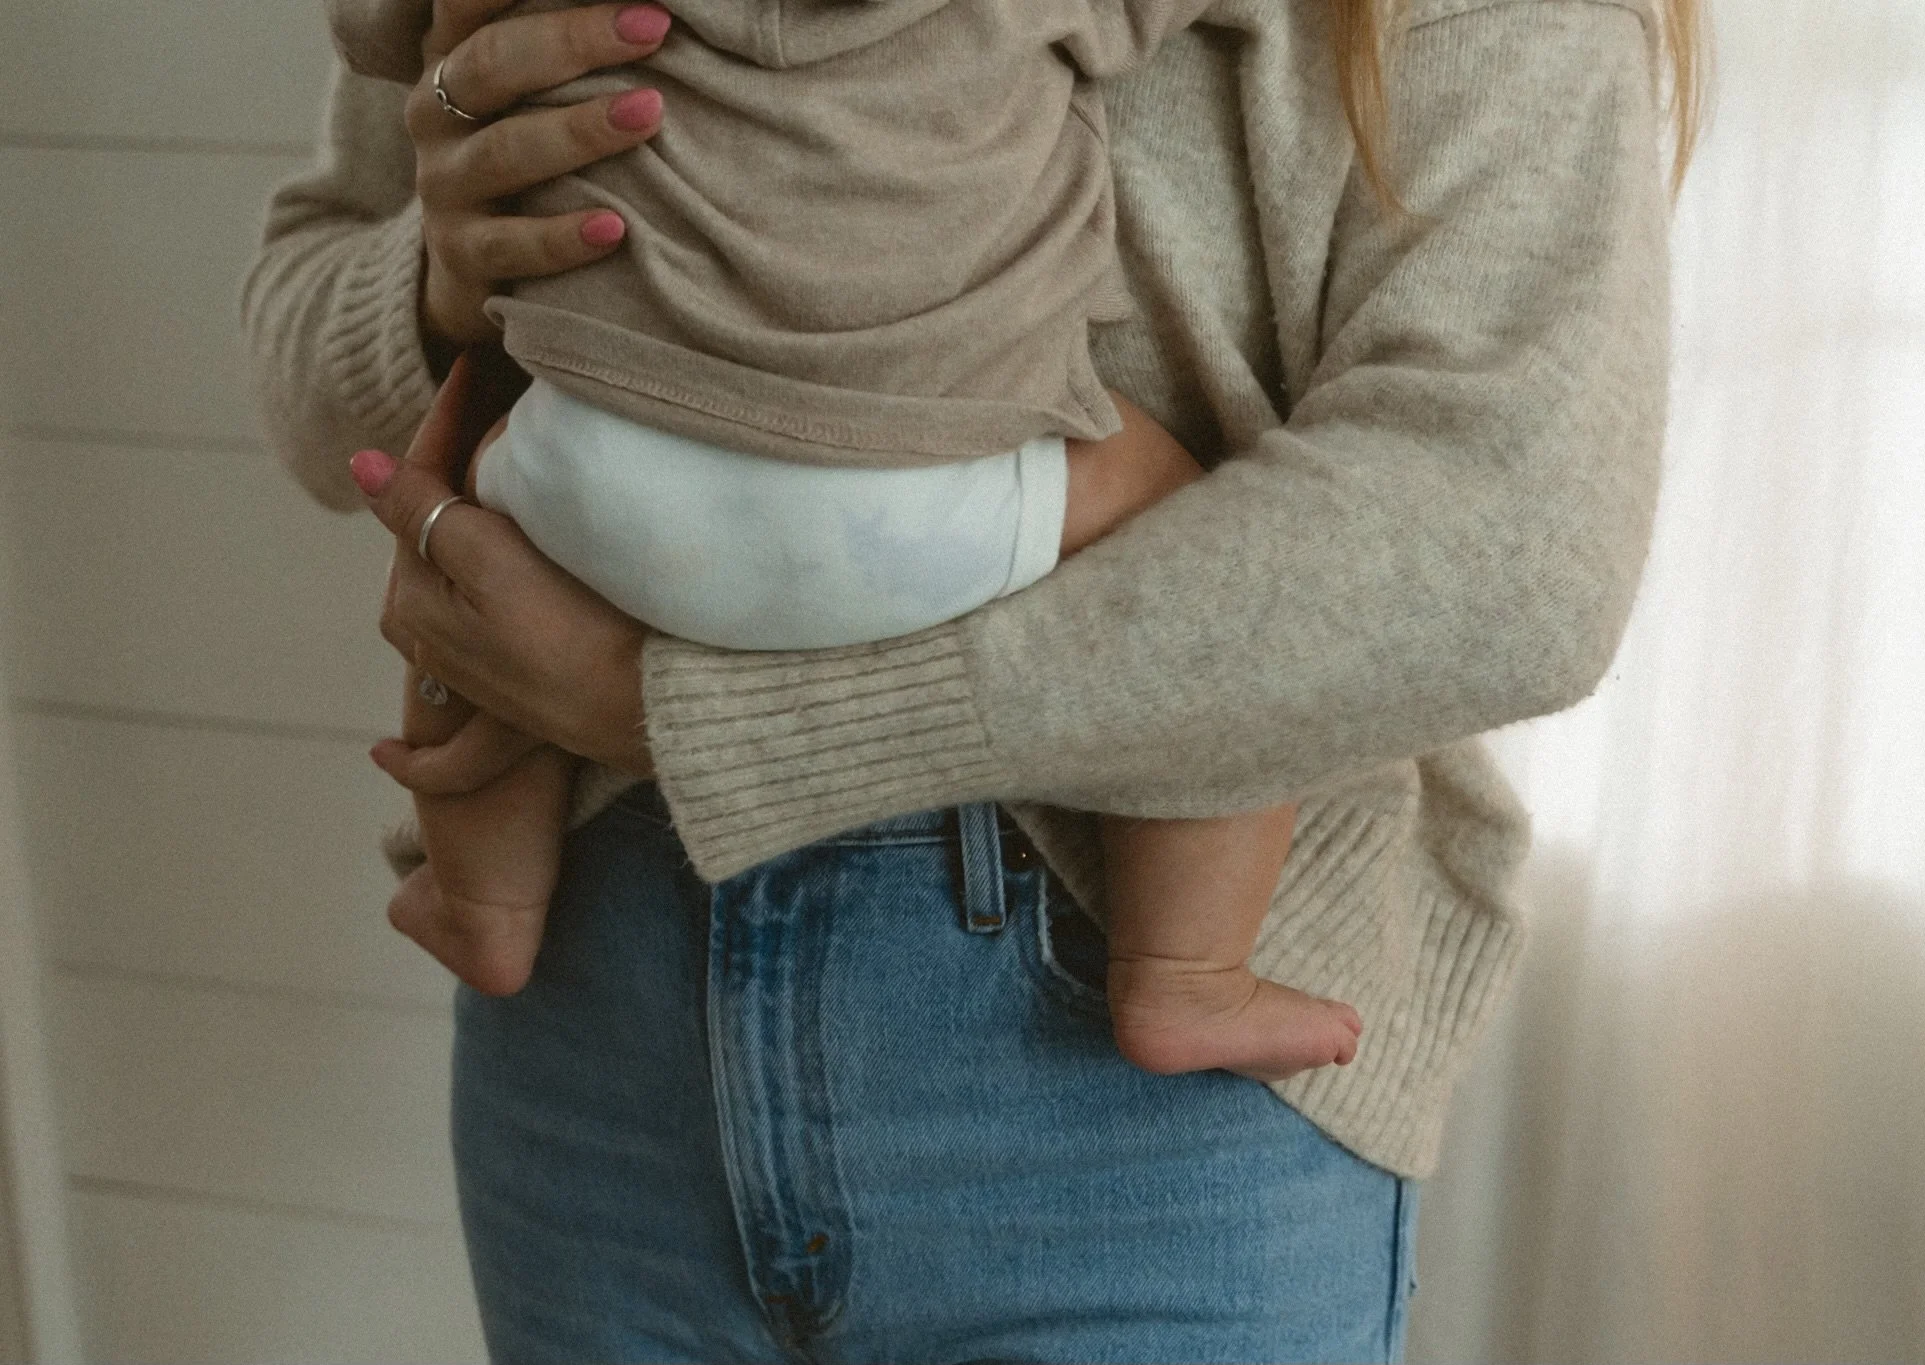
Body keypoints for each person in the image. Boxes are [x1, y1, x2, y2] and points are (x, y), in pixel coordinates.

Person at [243, 0, 1698, 1356]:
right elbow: (309, 355)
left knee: (495, 503)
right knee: (1134, 482)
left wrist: (698, 721)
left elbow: (1511, 553)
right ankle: (1182, 972)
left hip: (1131, 1142)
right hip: (608, 1030)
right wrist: (448, 268)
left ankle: (476, 884)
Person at [321, 0, 1367, 1082]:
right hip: (924, 513)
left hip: (594, 478)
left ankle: (478, 896)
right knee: (1184, 529)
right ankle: (1185, 972)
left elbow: (385, 33)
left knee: (463, 519)